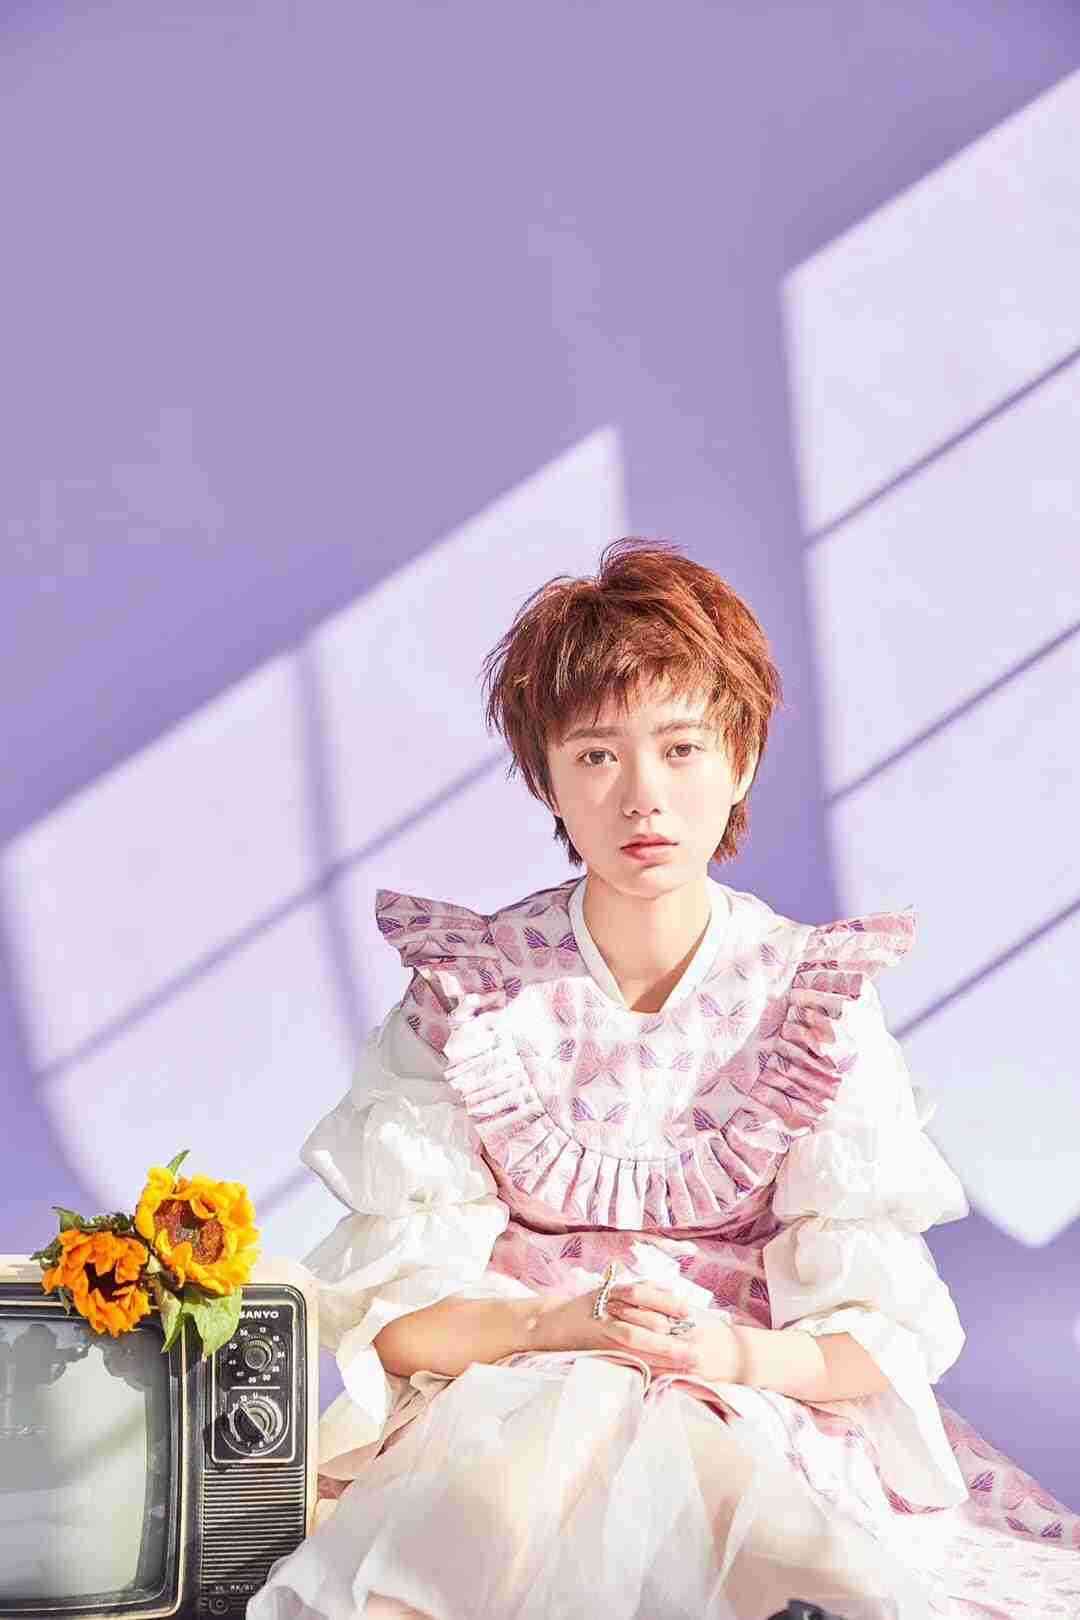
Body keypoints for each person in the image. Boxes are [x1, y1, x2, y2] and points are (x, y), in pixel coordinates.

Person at [247, 540, 1080, 1620]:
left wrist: (720, 1352)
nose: (644, 796)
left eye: (682, 748)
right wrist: (560, 1329)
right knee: (522, 1471)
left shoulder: (811, 999)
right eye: (596, 754)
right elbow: (394, 1321)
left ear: (741, 758)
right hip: (509, 1396)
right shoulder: (472, 994)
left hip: (746, 1400)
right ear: (545, 777)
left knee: (713, 1477)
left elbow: (871, 1337)